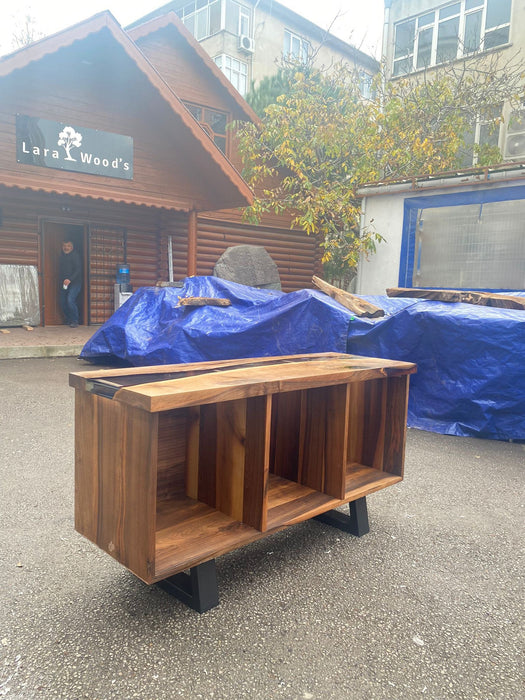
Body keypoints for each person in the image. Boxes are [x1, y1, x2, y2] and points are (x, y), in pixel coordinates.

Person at [59, 239, 82, 328]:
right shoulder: (62, 257)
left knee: (70, 300)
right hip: (65, 284)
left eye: (68, 246)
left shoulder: (75, 256)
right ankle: (69, 319)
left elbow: (78, 269)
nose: (66, 248)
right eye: (64, 246)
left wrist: (70, 279)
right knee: (63, 301)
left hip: (75, 283)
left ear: (72, 247)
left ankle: (75, 320)